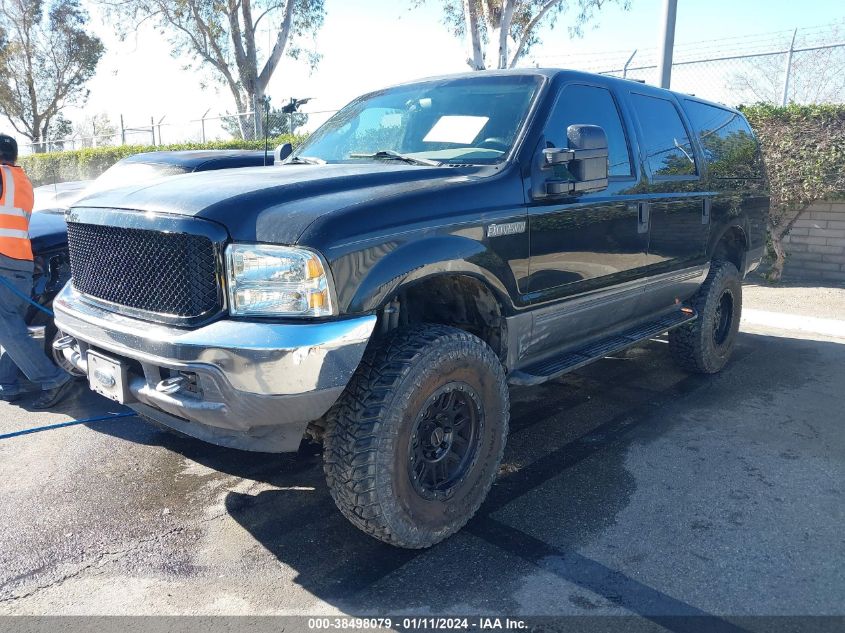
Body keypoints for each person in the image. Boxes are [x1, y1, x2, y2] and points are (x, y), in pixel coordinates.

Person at [0, 133, 76, 408]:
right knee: (13, 327)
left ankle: (53, 379)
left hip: (4, 262)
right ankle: (7, 382)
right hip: (20, 263)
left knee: (6, 328)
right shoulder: (21, 180)